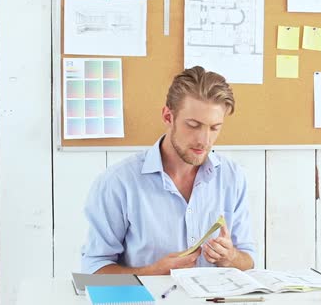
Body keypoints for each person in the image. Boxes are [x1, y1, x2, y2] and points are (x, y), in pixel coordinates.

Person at [81, 66, 255, 275]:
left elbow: (248, 260)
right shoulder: (119, 182)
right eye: (193, 125)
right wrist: (155, 270)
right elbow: (93, 270)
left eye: (214, 127)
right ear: (167, 117)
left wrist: (230, 257)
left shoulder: (232, 177)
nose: (204, 140)